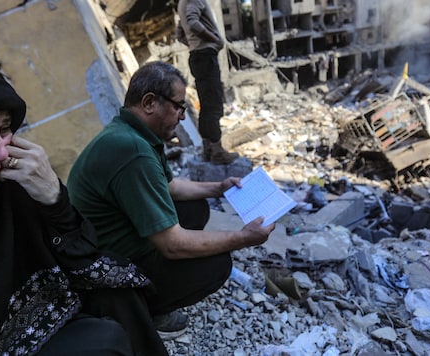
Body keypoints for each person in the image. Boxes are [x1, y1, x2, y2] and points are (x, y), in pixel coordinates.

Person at [0, 39, 168, 356]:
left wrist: (55, 201)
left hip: (34, 322)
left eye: (5, 128)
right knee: (99, 344)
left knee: (117, 296)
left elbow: (84, 257)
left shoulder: (6, 186)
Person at [67, 61, 275, 339]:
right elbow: (173, 245)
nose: (181, 116)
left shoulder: (132, 134)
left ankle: (152, 290)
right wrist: (243, 237)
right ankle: (142, 307)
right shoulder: (133, 151)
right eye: (178, 106)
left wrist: (219, 188)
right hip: (102, 267)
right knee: (216, 265)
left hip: (107, 240)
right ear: (150, 102)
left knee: (193, 208)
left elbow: (170, 187)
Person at [176, 0, 239, 164]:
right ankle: (217, 152)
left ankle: (208, 150)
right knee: (214, 105)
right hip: (205, 56)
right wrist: (216, 40)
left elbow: (180, 34)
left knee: (207, 104)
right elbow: (192, 23)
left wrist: (193, 44)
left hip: (197, 56)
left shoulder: (182, 3)